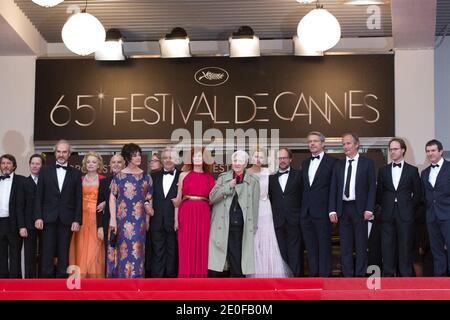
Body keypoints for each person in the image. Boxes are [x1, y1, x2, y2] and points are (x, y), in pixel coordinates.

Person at [329, 133, 376, 277]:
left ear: (357, 144)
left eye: (348, 143)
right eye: (343, 144)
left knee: (361, 245)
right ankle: (348, 277)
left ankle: (360, 276)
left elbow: (371, 188)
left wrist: (369, 208)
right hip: (343, 209)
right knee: (345, 246)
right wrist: (332, 210)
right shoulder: (338, 164)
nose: (345, 146)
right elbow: (334, 188)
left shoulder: (367, 163)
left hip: (360, 209)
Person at [35, 140, 82, 278]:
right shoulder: (44, 171)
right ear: (55, 153)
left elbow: (78, 198)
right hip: (47, 218)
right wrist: (38, 217)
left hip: (67, 219)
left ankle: (61, 285)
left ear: (69, 154)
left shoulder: (76, 173)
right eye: (59, 151)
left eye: (64, 152)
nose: (61, 154)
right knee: (47, 252)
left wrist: (77, 220)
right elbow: (39, 196)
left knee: (64, 252)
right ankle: (46, 285)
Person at [208, 150, 259, 277]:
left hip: (240, 223)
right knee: (217, 259)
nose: (237, 163)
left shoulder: (253, 181)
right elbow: (212, 198)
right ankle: (217, 290)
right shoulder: (223, 177)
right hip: (222, 222)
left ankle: (238, 287)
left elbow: (255, 205)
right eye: (235, 160)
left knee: (237, 256)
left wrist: (253, 227)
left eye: (240, 161)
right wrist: (228, 187)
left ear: (246, 163)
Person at [376, 138, 421, 276]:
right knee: (387, 247)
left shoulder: (413, 170)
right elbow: (379, 194)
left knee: (405, 246)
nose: (392, 152)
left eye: (395, 149)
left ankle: (405, 276)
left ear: (403, 150)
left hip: (405, 215)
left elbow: (418, 194)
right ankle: (388, 276)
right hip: (387, 214)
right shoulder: (383, 170)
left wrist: (408, 208)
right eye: (390, 149)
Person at [108, 143, 153, 278]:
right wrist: (113, 219)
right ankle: (122, 283)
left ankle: (137, 284)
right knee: (122, 251)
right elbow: (112, 198)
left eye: (139, 154)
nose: (138, 157)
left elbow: (149, 199)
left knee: (137, 252)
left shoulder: (146, 177)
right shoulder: (118, 177)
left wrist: (148, 219)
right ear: (127, 157)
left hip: (139, 221)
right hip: (121, 221)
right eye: (134, 155)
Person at [247, 149, 291, 277]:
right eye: (256, 156)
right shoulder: (246, 173)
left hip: (266, 208)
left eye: (261, 157)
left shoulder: (269, 173)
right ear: (251, 158)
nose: (258, 159)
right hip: (252, 209)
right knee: (255, 239)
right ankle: (256, 272)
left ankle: (271, 271)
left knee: (268, 237)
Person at [173, 147, 215, 278]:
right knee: (185, 246)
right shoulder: (183, 175)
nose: (197, 158)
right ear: (191, 158)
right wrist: (176, 220)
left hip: (203, 213)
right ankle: (185, 279)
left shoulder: (210, 178)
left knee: (202, 245)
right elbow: (178, 199)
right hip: (186, 212)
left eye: (200, 156)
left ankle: (200, 280)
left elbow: (213, 200)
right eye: (195, 156)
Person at [300, 132, 337, 277]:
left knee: (324, 246)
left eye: (315, 141)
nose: (312, 144)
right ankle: (313, 276)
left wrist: (332, 210)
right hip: (306, 213)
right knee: (310, 248)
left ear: (323, 143)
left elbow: (335, 188)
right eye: (310, 141)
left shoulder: (333, 162)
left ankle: (325, 277)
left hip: (323, 212)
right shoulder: (305, 163)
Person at [69, 152, 106, 278]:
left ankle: (94, 282)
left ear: (99, 164)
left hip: (96, 219)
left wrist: (105, 203)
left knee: (94, 250)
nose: (91, 164)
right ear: (85, 164)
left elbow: (111, 197)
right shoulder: (79, 179)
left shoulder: (104, 180)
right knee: (80, 249)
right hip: (81, 219)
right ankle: (80, 280)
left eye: (94, 162)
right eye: (89, 162)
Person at [269, 147, 303, 276]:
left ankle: (295, 281)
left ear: (290, 159)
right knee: (280, 253)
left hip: (294, 220)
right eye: (280, 158)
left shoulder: (299, 175)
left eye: (284, 158)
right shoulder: (271, 178)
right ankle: (283, 280)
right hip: (277, 220)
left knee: (295, 252)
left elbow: (304, 197)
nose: (282, 160)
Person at [421, 139, 450, 276]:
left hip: (448, 215)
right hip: (431, 217)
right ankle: (440, 282)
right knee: (436, 250)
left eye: (433, 150)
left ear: (440, 151)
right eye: (428, 151)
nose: (430, 153)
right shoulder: (424, 172)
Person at [149, 147, 180, 278]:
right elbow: (147, 196)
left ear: (176, 160)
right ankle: (157, 280)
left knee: (173, 250)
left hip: (174, 220)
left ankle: (171, 280)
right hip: (156, 219)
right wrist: (146, 205)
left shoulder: (182, 176)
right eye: (165, 158)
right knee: (157, 250)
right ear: (162, 160)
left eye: (171, 157)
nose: (168, 160)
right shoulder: (153, 176)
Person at [97, 154, 125, 271]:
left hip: (126, 224)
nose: (116, 164)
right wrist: (99, 227)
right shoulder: (104, 182)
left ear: (124, 164)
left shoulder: (129, 180)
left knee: (124, 254)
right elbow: (98, 207)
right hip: (108, 224)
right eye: (113, 162)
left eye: (119, 162)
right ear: (110, 165)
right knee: (110, 255)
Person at [19, 154, 44, 278]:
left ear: (42, 166)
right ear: (29, 165)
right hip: (28, 225)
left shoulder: (47, 182)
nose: (35, 166)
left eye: (38, 163)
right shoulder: (23, 183)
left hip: (45, 223)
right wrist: (22, 226)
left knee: (45, 254)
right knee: (29, 254)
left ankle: (44, 282)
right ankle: (30, 282)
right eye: (33, 163)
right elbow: (20, 206)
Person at [0, 154, 24, 278]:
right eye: (3, 163)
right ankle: (2, 283)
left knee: (15, 254)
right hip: (0, 222)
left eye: (8, 163)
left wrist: (23, 226)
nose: (5, 166)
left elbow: (25, 205)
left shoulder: (22, 181)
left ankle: (15, 284)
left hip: (14, 223)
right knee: (1, 255)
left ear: (14, 166)